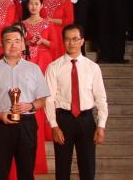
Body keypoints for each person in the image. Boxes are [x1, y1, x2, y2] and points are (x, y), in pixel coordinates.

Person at [0, 25, 50, 180]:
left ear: (23, 44)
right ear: (2, 44)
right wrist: (0, 115)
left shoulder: (34, 69)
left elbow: (43, 99)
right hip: (1, 124)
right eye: (8, 41)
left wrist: (30, 106)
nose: (13, 45)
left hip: (27, 124)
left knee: (26, 172)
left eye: (17, 41)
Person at [45, 24, 108, 180]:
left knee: (88, 168)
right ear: (63, 41)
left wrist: (101, 125)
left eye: (75, 39)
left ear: (82, 41)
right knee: (62, 168)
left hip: (86, 120)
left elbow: (101, 98)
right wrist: (54, 125)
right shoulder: (54, 67)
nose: (71, 43)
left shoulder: (93, 67)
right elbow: (49, 99)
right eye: (67, 39)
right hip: (63, 120)